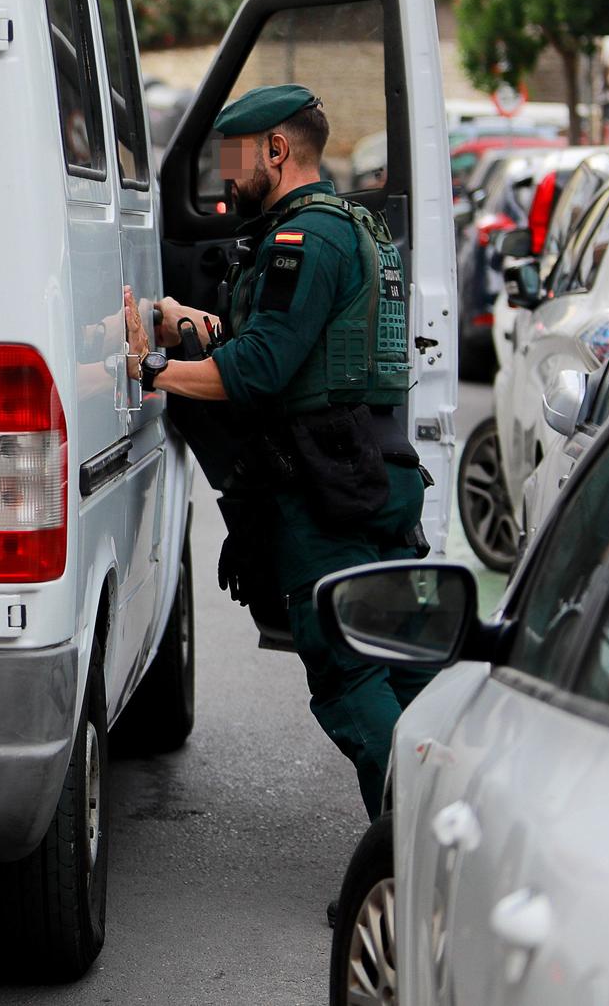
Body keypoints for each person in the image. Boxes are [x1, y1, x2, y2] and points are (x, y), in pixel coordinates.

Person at [124, 83, 431, 822]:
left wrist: (149, 369)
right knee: (406, 675)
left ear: (277, 149)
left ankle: (414, 854)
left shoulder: (305, 240)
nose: (226, 178)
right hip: (372, 468)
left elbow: (261, 371)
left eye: (234, 158)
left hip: (327, 487)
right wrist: (194, 327)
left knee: (350, 677)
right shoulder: (345, 223)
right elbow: (300, 350)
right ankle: (435, 845)